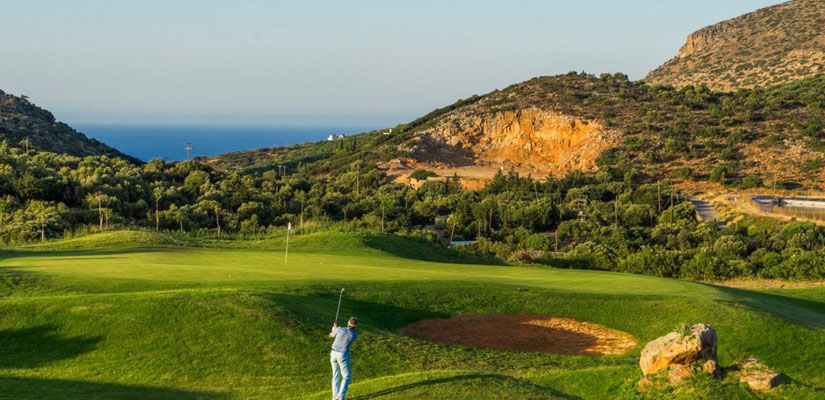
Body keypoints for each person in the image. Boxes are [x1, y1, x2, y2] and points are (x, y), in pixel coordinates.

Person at [329, 317, 358, 400]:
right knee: (346, 376)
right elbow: (345, 333)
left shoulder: (339, 329)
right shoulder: (354, 335)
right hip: (342, 355)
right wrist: (335, 329)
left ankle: (335, 397)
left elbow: (330, 335)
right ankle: (340, 396)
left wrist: (334, 329)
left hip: (333, 353)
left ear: (348, 322)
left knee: (335, 375)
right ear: (355, 326)